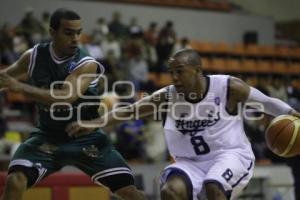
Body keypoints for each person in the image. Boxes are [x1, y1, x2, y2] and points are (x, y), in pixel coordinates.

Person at [66, 49, 300, 200]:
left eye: (180, 72)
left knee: (213, 186)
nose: (174, 78)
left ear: (198, 71)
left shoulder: (228, 87)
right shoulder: (168, 96)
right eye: (171, 73)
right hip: (189, 162)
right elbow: (130, 110)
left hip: (230, 155)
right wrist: (94, 122)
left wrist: (294, 115)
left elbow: (269, 104)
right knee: (170, 192)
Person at [0, 8, 146, 200]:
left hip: (86, 137)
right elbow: (5, 78)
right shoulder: (33, 56)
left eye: (79, 32)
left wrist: (20, 87)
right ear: (52, 33)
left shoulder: (86, 62)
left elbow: (65, 96)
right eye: (69, 33)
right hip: (47, 137)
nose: (76, 38)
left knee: (130, 193)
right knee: (15, 181)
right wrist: (10, 83)